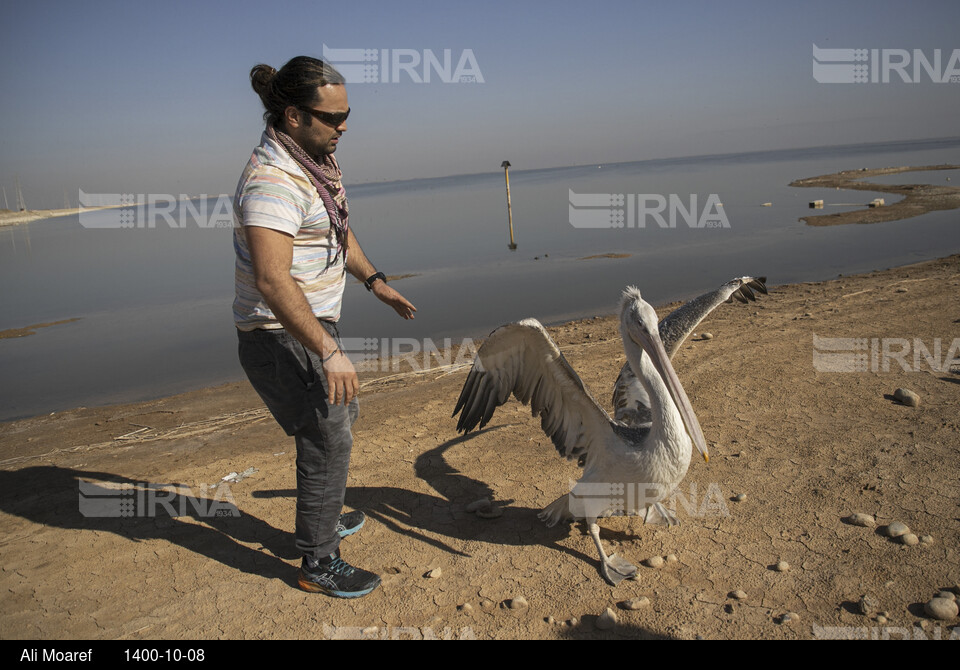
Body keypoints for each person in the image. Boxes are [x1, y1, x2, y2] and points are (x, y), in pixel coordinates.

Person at [233, 56, 416, 598]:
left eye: (347, 115)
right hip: (279, 332)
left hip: (310, 326)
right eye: (331, 118)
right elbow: (271, 279)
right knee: (326, 438)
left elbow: (337, 230)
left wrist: (374, 280)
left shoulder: (314, 164)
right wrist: (327, 349)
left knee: (338, 417)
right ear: (292, 116)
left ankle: (322, 517)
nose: (343, 127)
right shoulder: (272, 181)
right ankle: (318, 560)